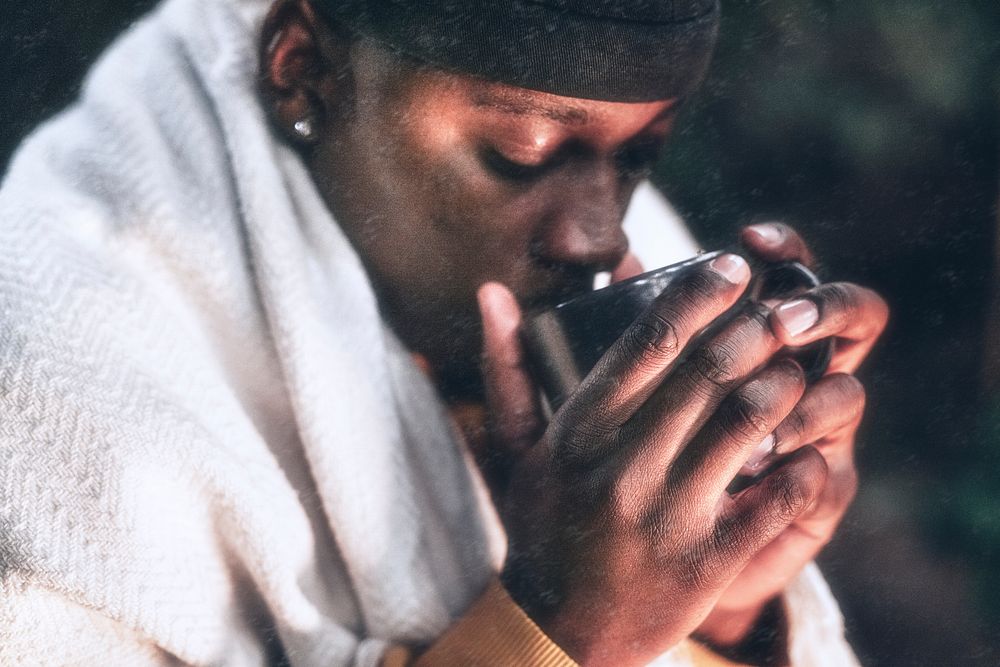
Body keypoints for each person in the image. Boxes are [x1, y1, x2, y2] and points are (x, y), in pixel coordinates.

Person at [0, 0, 887, 664]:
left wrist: (723, 610)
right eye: (523, 154)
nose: (602, 234)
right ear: (303, 68)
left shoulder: (631, 243)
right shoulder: (47, 364)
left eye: (637, 157)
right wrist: (554, 627)